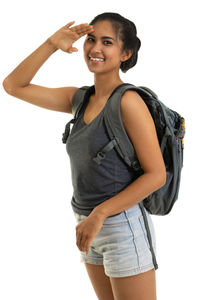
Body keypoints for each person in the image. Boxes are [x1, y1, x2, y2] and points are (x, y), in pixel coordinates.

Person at [3, 12, 166, 300]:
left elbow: (156, 175)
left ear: (125, 53)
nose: (95, 49)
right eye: (91, 39)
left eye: (107, 42)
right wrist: (52, 44)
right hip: (86, 223)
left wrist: (100, 214)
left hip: (120, 225)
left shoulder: (129, 102)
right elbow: (13, 85)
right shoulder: (79, 100)